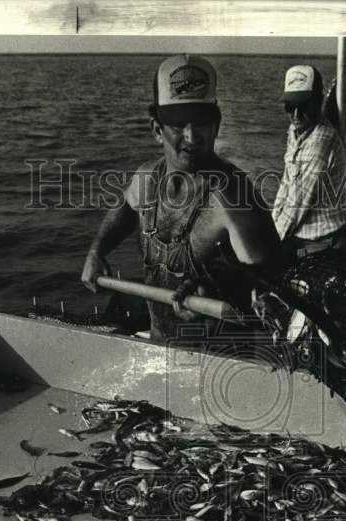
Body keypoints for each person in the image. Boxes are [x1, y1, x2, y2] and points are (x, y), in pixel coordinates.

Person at [81, 55, 283, 344]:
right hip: (160, 345)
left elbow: (277, 285)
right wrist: (97, 250)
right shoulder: (146, 178)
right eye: (178, 124)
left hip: (221, 362)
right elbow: (126, 208)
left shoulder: (233, 198)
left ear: (216, 125)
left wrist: (216, 285)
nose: (191, 136)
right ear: (156, 128)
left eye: (201, 123)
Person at [272, 65, 346, 260]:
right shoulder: (296, 130)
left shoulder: (320, 142)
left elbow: (296, 204)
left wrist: (269, 245)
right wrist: (271, 224)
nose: (296, 115)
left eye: (304, 106)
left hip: (324, 243)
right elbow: (286, 185)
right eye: (290, 107)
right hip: (300, 235)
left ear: (317, 102)